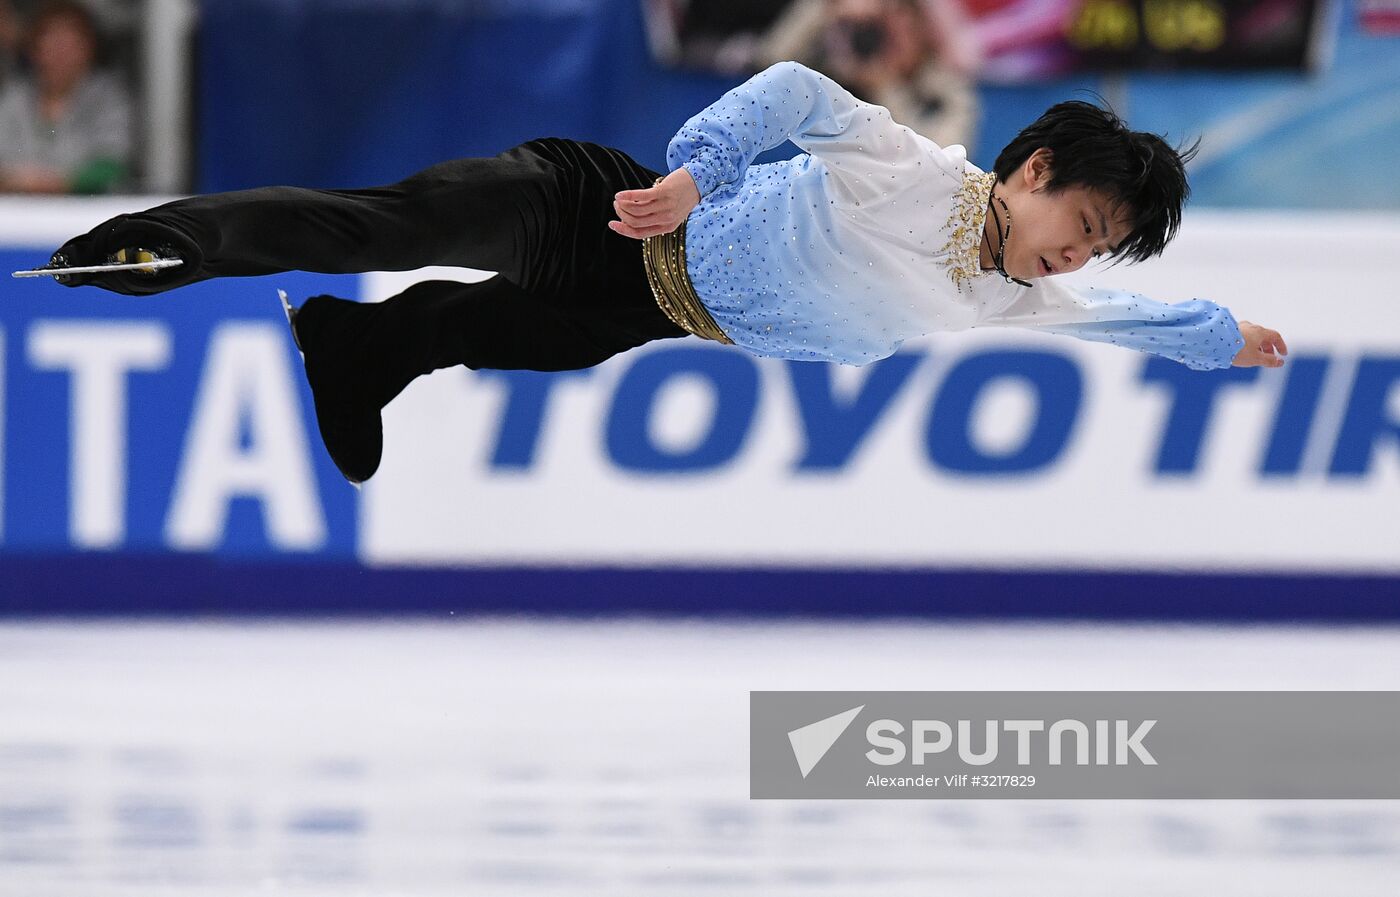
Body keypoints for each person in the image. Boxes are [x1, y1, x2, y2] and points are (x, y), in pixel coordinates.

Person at [44, 60, 1286, 485]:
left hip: (641, 315)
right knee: (400, 225)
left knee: (452, 337)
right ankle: (170, 245)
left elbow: (1123, 318)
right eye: (1079, 215)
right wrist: (694, 169)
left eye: (1096, 241)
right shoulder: (914, 172)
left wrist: (1218, 334)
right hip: (615, 214)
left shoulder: (1015, 291)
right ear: (1030, 167)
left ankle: (345, 347)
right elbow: (799, 94)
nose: (1079, 250)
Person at [0, 0, 131, 194]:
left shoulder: (107, 97)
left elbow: (115, 164)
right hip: (18, 209)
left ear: (88, 49)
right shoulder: (15, 96)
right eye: (51, 43)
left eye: (69, 44)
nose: (60, 53)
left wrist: (60, 182)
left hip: (88, 211)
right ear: (35, 49)